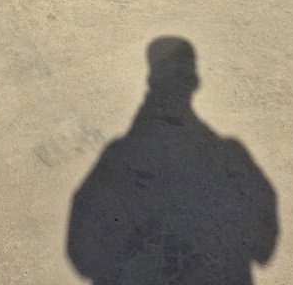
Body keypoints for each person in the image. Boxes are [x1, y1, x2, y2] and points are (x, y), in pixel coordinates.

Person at [67, 37, 278, 284]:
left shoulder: (118, 154)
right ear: (194, 82)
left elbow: (81, 250)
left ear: (151, 79)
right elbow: (264, 243)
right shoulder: (231, 154)